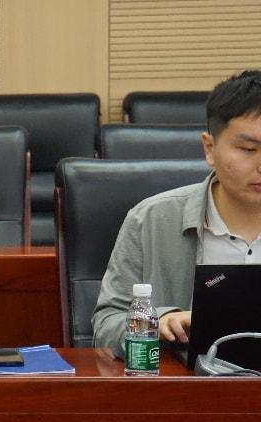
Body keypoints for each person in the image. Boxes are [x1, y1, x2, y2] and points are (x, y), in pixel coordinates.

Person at [93, 70, 261, 356]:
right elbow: (105, 327)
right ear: (210, 148)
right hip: (188, 382)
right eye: (248, 149)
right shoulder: (151, 220)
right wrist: (158, 322)